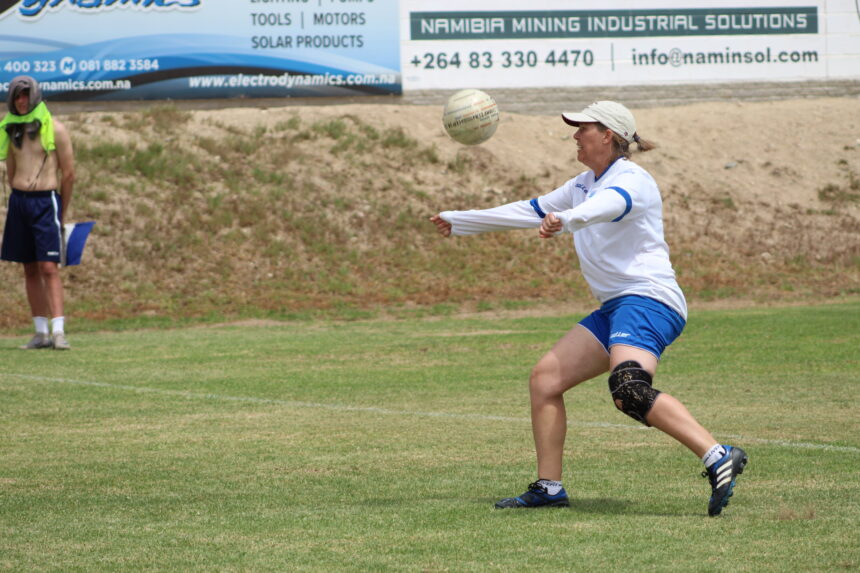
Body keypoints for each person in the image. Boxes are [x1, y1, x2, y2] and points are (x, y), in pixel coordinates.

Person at [429, 101, 747, 517]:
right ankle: (548, 487)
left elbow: (610, 205)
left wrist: (569, 219)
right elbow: (531, 210)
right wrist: (461, 220)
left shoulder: (633, 180)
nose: (576, 134)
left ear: (609, 136)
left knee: (629, 388)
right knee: (545, 379)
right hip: (616, 306)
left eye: (584, 127)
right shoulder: (581, 183)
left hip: (649, 299)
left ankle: (717, 455)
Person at [1, 76, 75, 350]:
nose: (21, 101)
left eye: (25, 95)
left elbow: (68, 174)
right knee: (29, 268)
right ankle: (40, 332)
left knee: (48, 267)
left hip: (46, 201)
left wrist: (61, 209)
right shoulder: (10, 129)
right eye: (17, 96)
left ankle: (58, 330)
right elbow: (10, 168)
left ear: (35, 96)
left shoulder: (55, 128)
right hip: (20, 201)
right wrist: (17, 194)